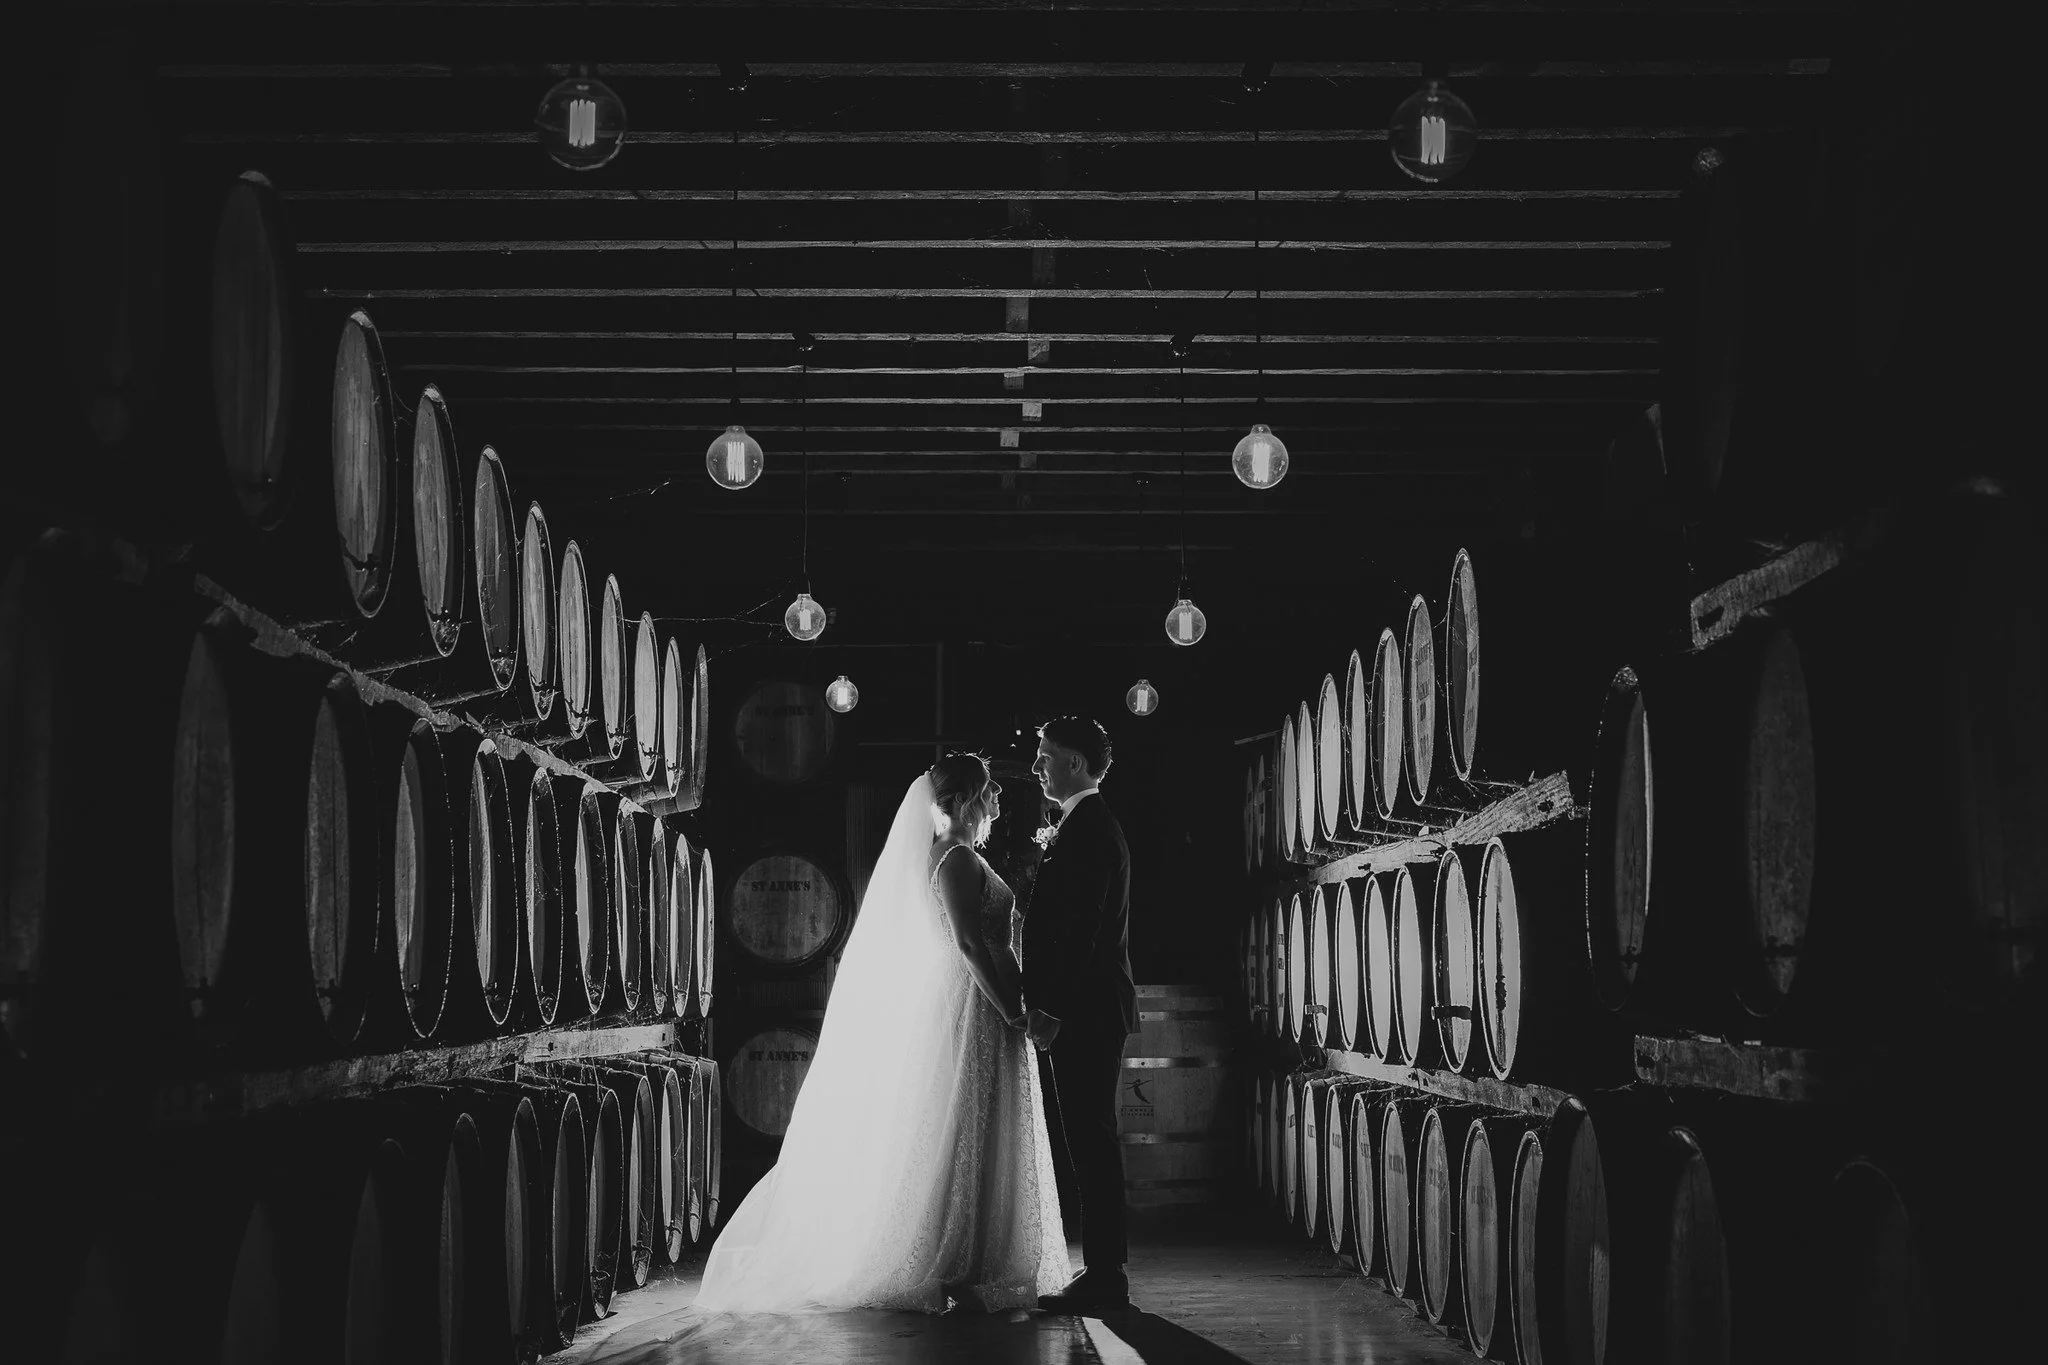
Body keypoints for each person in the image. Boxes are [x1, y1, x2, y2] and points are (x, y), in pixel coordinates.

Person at [691, 754, 1068, 1313]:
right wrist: (1009, 1009)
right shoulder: (957, 859)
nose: (996, 803)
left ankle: (977, 1255)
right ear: (961, 803)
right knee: (968, 1123)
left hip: (984, 1002)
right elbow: (967, 944)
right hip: (975, 1003)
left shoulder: (956, 855)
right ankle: (958, 1258)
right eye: (988, 794)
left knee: (976, 1124)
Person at [1025, 716, 1138, 1314]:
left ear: (1073, 762)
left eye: (1045, 755)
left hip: (1087, 1012)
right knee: (1088, 1138)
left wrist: (1052, 1009)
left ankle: (1106, 1277)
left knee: (1091, 1139)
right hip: (1089, 1010)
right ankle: (1101, 1271)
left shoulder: (1090, 828)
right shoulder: (1083, 825)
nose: (1037, 766)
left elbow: (1081, 933)